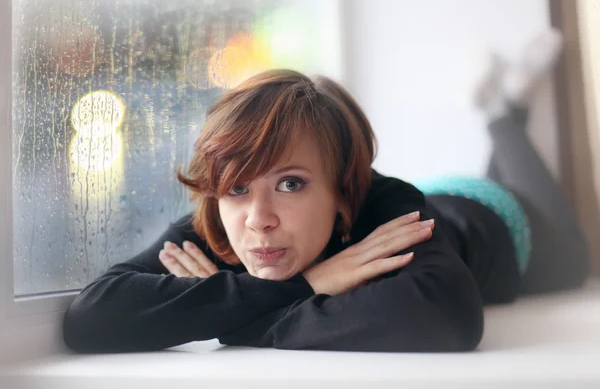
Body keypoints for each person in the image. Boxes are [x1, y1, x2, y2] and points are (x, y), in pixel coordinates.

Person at [62, 29, 590, 354]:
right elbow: (92, 319)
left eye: (290, 183)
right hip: (438, 197)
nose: (258, 218)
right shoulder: (223, 224)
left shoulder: (387, 208)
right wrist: (305, 283)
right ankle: (506, 102)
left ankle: (503, 114)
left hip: (496, 222)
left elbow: (448, 315)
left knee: (576, 254)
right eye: (238, 187)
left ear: (344, 193)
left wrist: (238, 320)